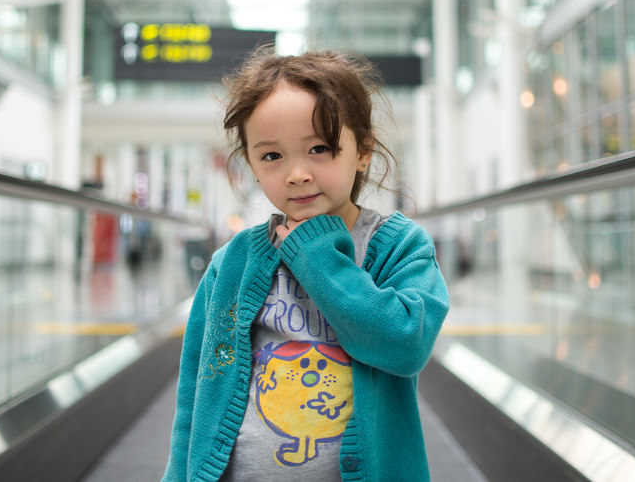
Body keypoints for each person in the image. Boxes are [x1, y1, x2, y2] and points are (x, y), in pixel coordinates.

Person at [163, 48, 450, 481]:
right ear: (254, 166)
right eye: (272, 156)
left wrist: (315, 256)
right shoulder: (233, 263)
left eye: (319, 148)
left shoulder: (397, 246)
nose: (297, 173)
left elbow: (405, 344)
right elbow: (198, 390)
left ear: (364, 151)